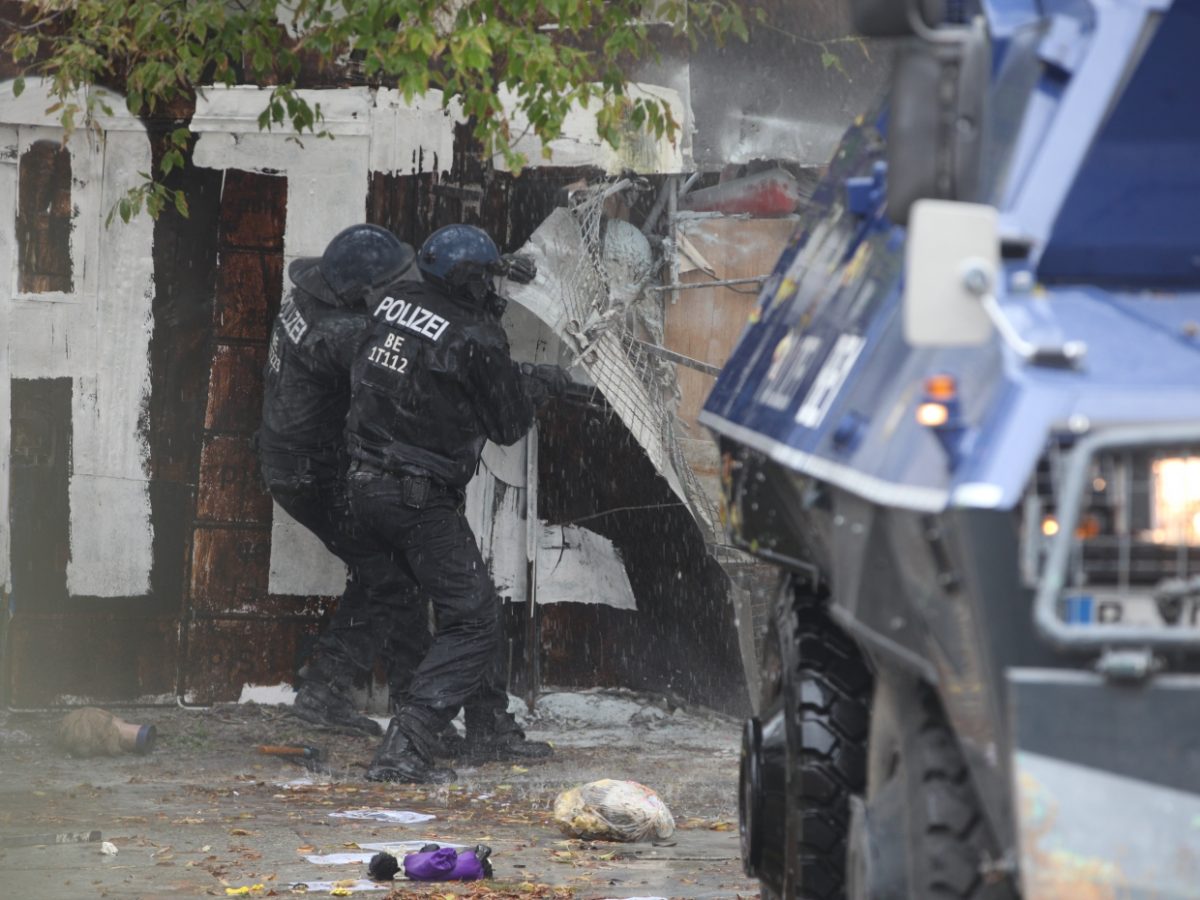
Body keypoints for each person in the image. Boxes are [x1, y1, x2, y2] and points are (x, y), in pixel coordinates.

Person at [345, 224, 564, 783]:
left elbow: (426, 377)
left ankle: (488, 727)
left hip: (365, 487)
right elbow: (509, 424)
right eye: (487, 277)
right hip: (417, 498)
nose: (494, 287)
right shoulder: (477, 334)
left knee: (458, 601)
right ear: (467, 280)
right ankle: (406, 746)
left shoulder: (395, 303)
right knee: (475, 619)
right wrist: (536, 386)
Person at [259, 223, 429, 736]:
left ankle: (383, 697)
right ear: (363, 291)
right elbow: (417, 361)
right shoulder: (340, 335)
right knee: (392, 577)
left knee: (387, 573)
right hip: (313, 473)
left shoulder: (309, 299)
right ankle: (328, 693)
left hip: (293, 462)